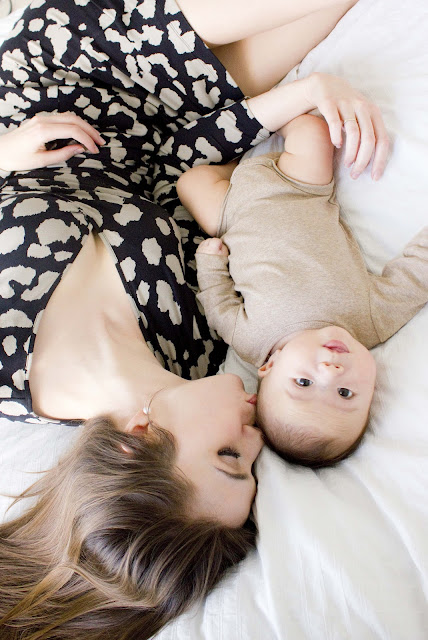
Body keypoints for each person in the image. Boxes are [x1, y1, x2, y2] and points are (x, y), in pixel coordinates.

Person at [0, 0, 390, 637]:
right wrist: (305, 94)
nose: (257, 439)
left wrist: (2, 154)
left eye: (229, 454)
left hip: (57, 74)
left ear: (138, 436)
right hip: (163, 123)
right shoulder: (195, 347)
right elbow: (175, 173)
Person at [176, 110, 428, 468]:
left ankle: (243, 153)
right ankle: (256, 137)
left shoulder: (252, 342)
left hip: (230, 215)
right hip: (301, 188)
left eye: (304, 383)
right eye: (345, 393)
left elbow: (220, 307)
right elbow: (416, 276)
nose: (330, 370)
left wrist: (210, 263)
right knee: (313, 132)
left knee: (190, 181)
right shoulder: (372, 320)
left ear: (270, 366)